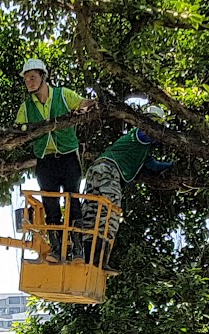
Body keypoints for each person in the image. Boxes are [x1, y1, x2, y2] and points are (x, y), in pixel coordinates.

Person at [74, 104, 174, 267]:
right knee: (111, 213)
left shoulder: (141, 147)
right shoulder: (141, 135)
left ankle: (86, 255)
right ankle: (99, 258)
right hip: (109, 171)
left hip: (97, 170)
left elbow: (153, 165)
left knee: (92, 212)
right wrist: (166, 135)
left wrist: (170, 165)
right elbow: (147, 134)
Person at [14, 57, 94, 261]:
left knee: (73, 201)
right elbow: (18, 130)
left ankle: (77, 249)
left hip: (68, 157)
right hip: (45, 160)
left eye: (32, 77)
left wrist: (86, 107)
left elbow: (83, 103)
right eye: (26, 80)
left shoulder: (63, 95)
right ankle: (57, 249)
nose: (29, 82)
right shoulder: (26, 107)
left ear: (43, 76)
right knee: (50, 205)